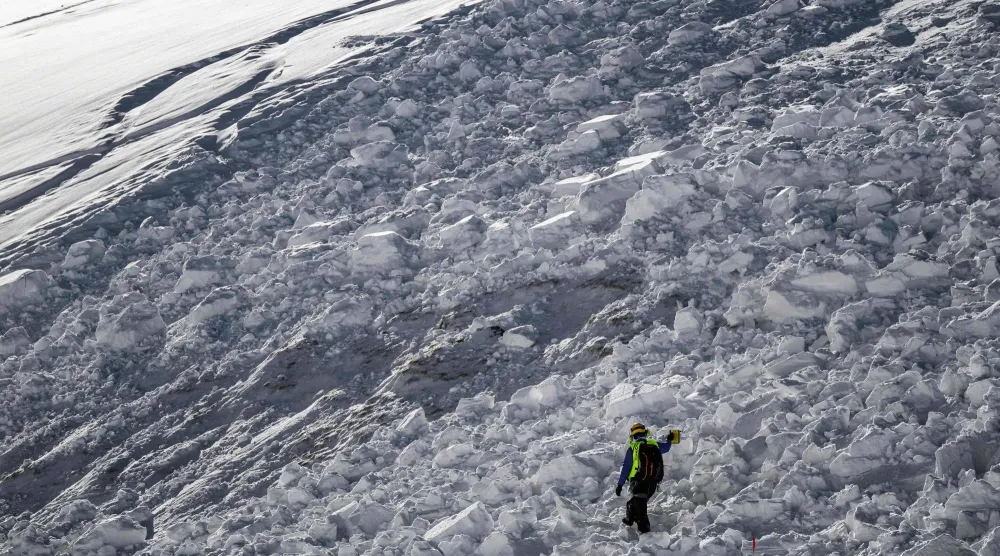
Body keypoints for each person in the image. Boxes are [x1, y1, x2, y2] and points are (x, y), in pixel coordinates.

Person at [615, 422, 669, 534]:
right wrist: (669, 440)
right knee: (636, 503)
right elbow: (666, 447)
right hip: (653, 482)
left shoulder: (633, 447)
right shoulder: (654, 444)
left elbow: (626, 468)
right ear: (645, 432)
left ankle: (646, 536)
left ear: (633, 436)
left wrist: (620, 485)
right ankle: (630, 521)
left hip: (639, 481)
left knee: (639, 508)